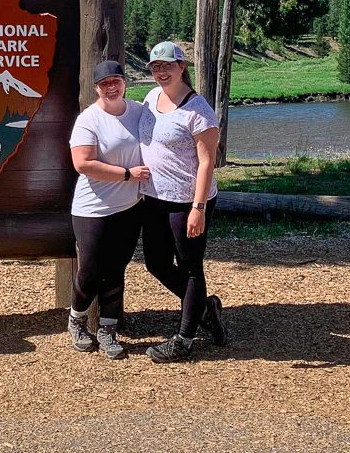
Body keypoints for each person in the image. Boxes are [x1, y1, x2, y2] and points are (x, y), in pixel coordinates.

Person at [138, 41, 229, 362]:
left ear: (182, 67)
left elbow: (207, 163)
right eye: (155, 67)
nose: (161, 72)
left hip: (187, 202)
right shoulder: (150, 99)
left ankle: (185, 339)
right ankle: (206, 309)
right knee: (156, 263)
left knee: (191, 269)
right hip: (153, 198)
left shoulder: (199, 111)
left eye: (167, 65)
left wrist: (198, 208)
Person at [66, 59, 149, 360]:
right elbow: (83, 163)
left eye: (116, 81)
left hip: (129, 206)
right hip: (93, 209)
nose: (111, 87)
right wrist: (127, 174)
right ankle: (76, 320)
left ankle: (108, 329)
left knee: (116, 268)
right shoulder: (89, 120)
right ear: (96, 89)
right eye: (104, 84)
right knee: (89, 270)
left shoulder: (140, 112)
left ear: (125, 82)